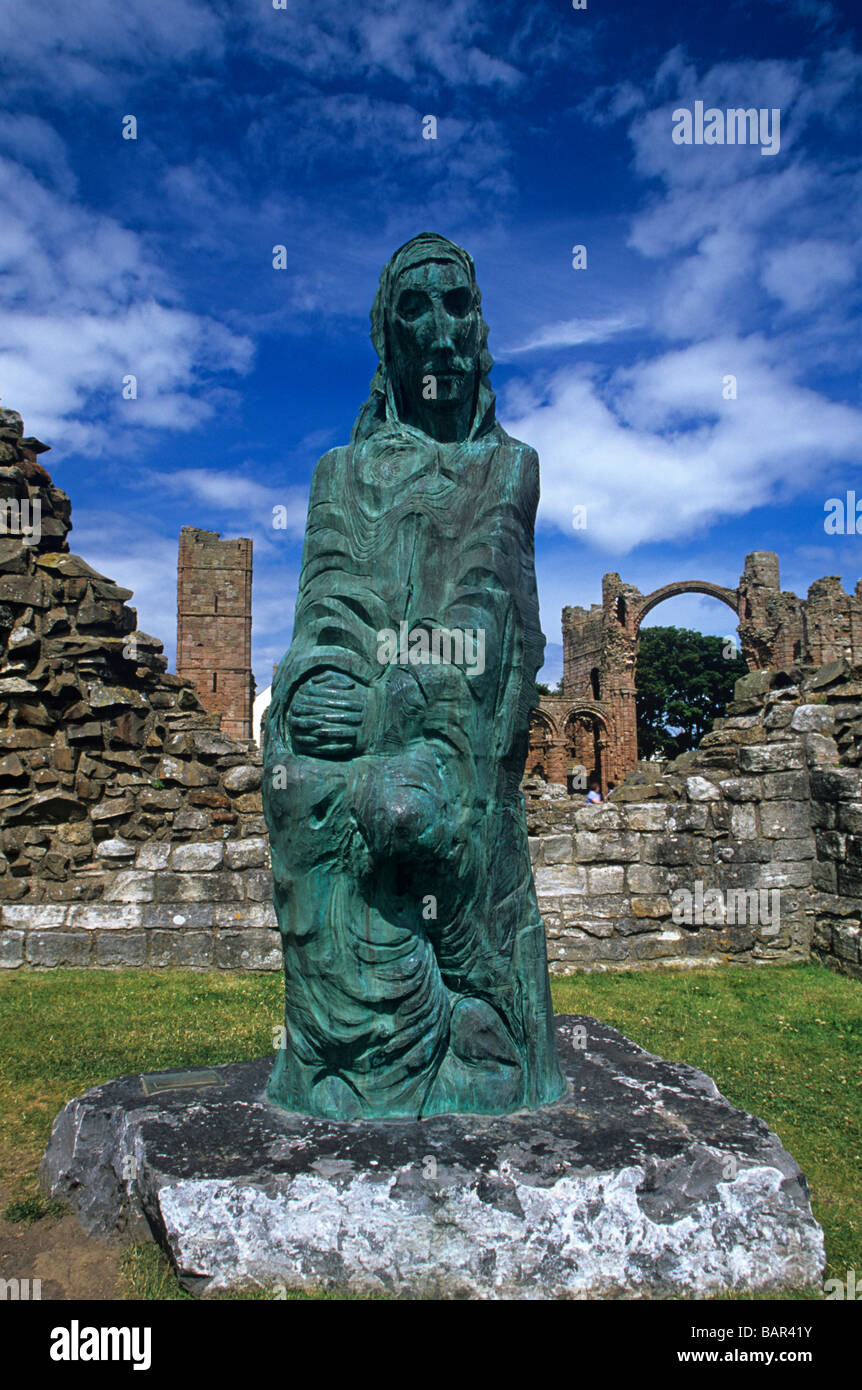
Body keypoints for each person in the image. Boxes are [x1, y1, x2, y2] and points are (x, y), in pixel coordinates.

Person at [263, 233, 566, 1120]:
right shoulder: (338, 475)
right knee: (299, 780)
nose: (438, 330)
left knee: (407, 810)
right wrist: (315, 683)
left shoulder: (509, 469)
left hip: (448, 724)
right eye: (414, 309)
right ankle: (350, 1060)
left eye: (457, 306)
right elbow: (325, 606)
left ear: (478, 332)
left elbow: (490, 606)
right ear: (384, 340)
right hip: (363, 713)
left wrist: (399, 693)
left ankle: (468, 1022)